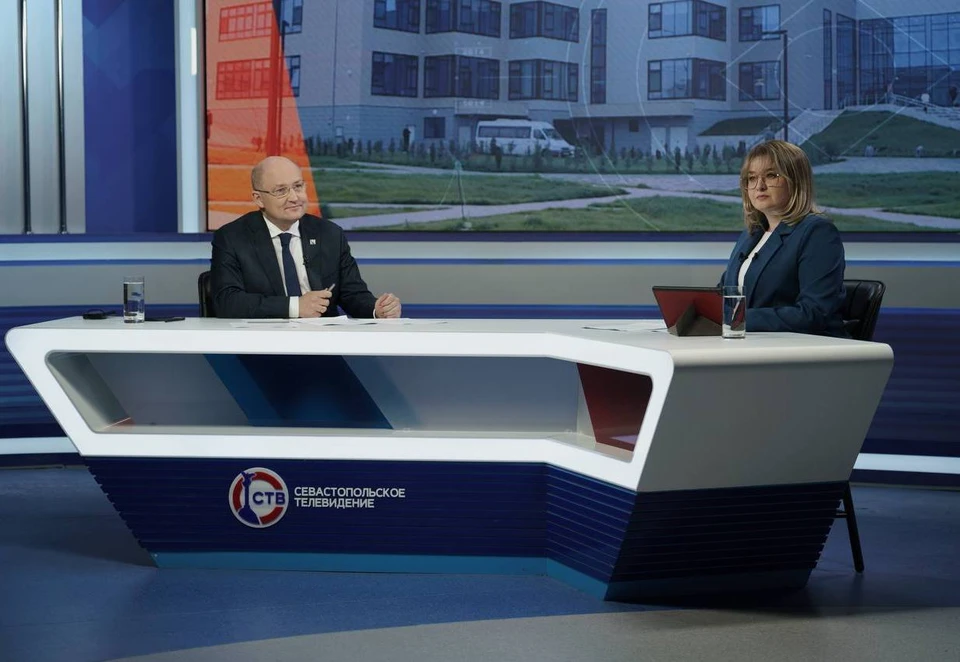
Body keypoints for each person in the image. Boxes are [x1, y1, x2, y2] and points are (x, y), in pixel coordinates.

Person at [210, 156, 401, 319]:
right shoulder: (232, 238)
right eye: (281, 190)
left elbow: (353, 294)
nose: (294, 197)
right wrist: (295, 306)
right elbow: (228, 301)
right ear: (258, 199)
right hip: (262, 342)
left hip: (322, 342)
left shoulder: (329, 234)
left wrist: (376, 309)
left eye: (298, 186)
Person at [719, 140, 847, 336]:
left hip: (803, 348)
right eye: (751, 178)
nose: (759, 186)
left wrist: (737, 318)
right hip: (751, 343)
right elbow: (725, 293)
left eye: (771, 175)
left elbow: (814, 312)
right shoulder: (752, 234)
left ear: (795, 180)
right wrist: (698, 312)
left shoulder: (817, 232)